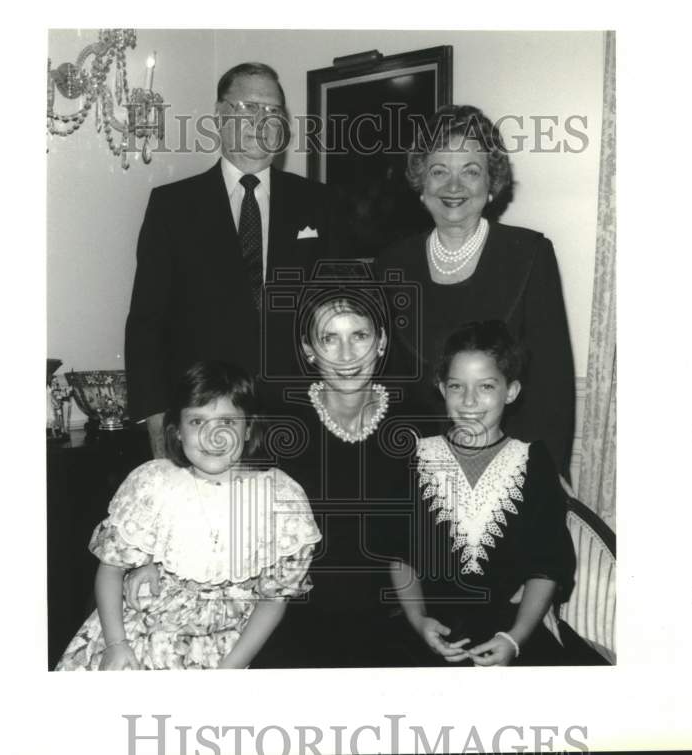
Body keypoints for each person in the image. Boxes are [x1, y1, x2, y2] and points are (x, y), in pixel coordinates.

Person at [126, 285, 424, 667]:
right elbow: (199, 483)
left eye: (360, 336)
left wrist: (419, 618)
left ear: (381, 342)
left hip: (382, 619)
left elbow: (411, 542)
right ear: (308, 349)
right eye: (329, 338)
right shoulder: (279, 423)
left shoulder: (413, 424)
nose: (347, 355)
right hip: (278, 617)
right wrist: (146, 557)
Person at [125, 62, 341, 458]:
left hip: (299, 422)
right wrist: (156, 422)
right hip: (203, 419)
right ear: (220, 116)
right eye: (251, 108)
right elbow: (146, 324)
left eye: (274, 111)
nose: (265, 120)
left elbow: (336, 312)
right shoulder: (172, 207)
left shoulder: (321, 204)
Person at [55, 361, 321, 670]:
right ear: (177, 431)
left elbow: (274, 600)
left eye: (227, 422)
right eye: (196, 422)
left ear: (249, 428)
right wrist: (116, 644)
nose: (212, 436)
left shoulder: (280, 498)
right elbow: (111, 570)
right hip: (137, 638)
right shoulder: (154, 484)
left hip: (224, 650)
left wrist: (230, 669)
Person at [376, 104, 576, 476]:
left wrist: (546, 475)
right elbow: (389, 388)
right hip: (416, 468)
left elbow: (553, 385)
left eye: (471, 171)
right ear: (422, 186)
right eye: (439, 171)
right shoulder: (391, 265)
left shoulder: (529, 255)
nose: (454, 186)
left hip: (512, 469)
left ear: (490, 185)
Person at [390, 321, 579, 666]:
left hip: (508, 632)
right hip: (427, 629)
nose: (470, 401)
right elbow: (399, 555)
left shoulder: (532, 462)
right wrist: (418, 621)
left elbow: (547, 565)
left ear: (511, 391)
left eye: (487, 386)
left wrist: (514, 639)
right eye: (457, 387)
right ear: (441, 388)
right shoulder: (415, 457)